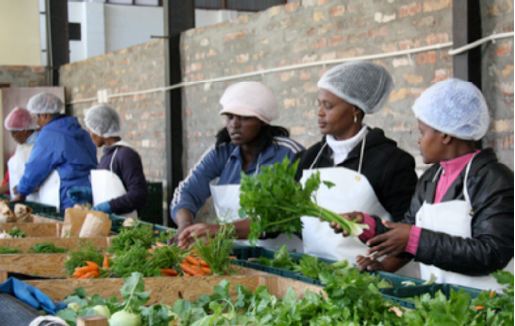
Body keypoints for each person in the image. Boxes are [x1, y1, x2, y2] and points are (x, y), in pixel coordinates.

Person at [332, 79, 513, 290]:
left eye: (422, 132)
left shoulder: (493, 179)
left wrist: (414, 239)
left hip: (487, 308)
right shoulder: (431, 177)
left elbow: (491, 253)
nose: (419, 140)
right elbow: (410, 231)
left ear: (445, 134)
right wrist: (365, 225)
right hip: (441, 305)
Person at [297, 61, 418, 267]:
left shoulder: (392, 161)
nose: (319, 113)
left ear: (355, 109)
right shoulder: (310, 158)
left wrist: (382, 268)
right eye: (319, 104)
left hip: (371, 279)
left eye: (329, 106)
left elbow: (410, 231)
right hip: (313, 273)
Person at [171, 81, 304, 250]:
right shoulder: (222, 152)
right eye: (230, 117)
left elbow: (280, 217)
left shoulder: (288, 153)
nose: (234, 124)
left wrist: (217, 230)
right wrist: (185, 225)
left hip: (282, 256)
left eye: (244, 118)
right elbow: (186, 191)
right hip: (236, 255)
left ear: (262, 121)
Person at [12, 92, 97, 212]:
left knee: (68, 229)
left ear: (45, 115)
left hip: (66, 196)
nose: (37, 123)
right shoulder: (81, 131)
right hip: (88, 193)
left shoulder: (50, 134)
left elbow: (36, 167)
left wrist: (22, 191)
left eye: (37, 117)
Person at [67, 104, 147, 217]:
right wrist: (91, 194)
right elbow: (111, 191)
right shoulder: (107, 156)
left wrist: (110, 206)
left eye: (91, 131)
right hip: (106, 223)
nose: (90, 135)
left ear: (101, 130)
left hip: (124, 224)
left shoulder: (126, 155)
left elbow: (138, 194)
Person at [0, 107, 38, 199]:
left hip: (36, 200)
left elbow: (43, 179)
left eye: (14, 133)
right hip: (20, 199)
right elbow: (15, 178)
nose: (13, 137)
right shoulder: (21, 146)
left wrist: (22, 189)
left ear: (24, 130)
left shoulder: (39, 147)